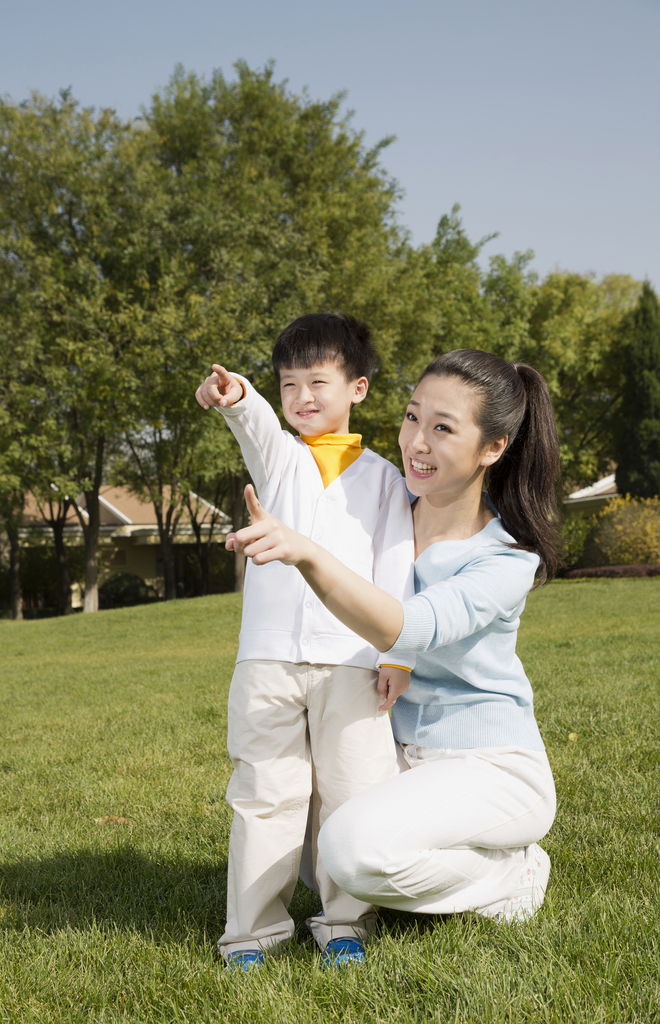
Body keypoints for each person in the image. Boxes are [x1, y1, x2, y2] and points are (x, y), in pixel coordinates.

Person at [227, 347, 562, 939]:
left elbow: (403, 627)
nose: (417, 443)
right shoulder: (389, 507)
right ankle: (408, 864)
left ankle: (513, 876)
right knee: (308, 853)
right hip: (400, 755)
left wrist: (303, 550)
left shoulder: (504, 558)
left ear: (493, 448)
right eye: (412, 418)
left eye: (442, 428)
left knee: (352, 853)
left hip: (488, 767)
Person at [195, 312, 415, 969]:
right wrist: (236, 395)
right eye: (289, 384)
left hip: (351, 661)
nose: (302, 398)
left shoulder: (383, 478)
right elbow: (255, 422)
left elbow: (396, 566)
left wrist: (396, 654)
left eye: (318, 381)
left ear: (359, 388)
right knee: (265, 795)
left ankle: (344, 923)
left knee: (352, 792)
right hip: (266, 662)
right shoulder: (281, 460)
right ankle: (250, 934)